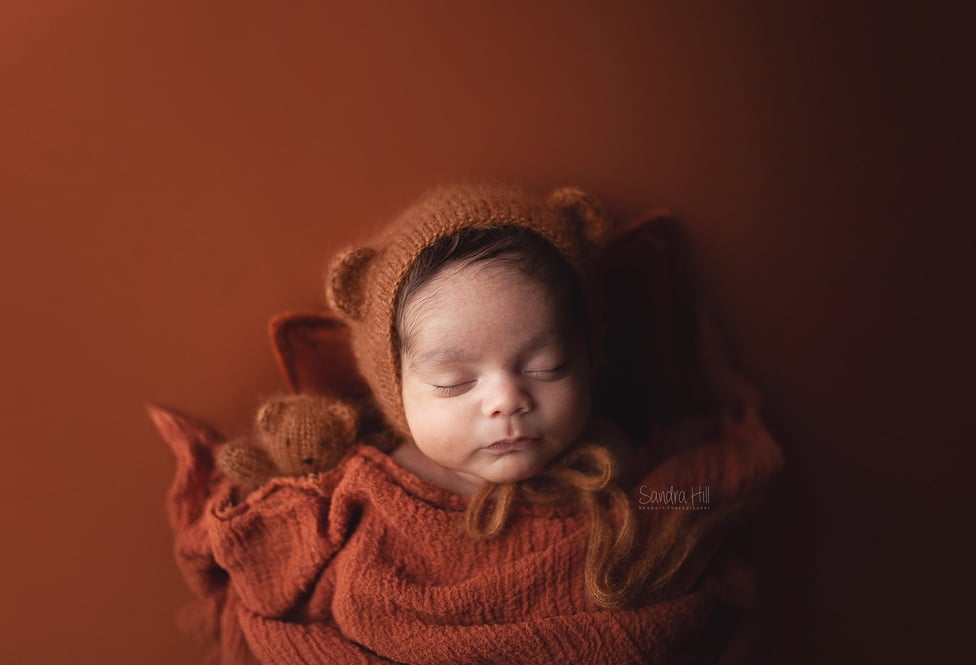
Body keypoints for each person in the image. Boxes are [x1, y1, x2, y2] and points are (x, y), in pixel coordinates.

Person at [154, 182, 784, 664]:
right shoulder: (369, 487)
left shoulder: (615, 461)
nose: (506, 401)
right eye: (455, 382)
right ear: (396, 394)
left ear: (589, 360)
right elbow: (275, 565)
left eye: (547, 366)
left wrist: (696, 491)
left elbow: (686, 501)